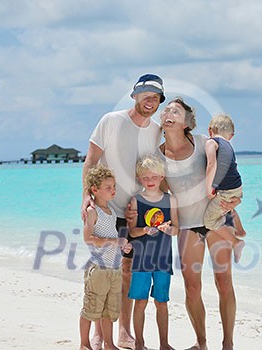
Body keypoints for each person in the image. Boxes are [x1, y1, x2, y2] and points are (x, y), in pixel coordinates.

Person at [81, 74, 166, 350]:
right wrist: (86, 196)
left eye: (156, 98)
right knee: (102, 268)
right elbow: (91, 160)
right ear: (135, 96)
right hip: (105, 208)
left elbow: (155, 172)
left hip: (136, 213)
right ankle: (97, 331)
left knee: (126, 272)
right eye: (146, 96)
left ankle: (123, 331)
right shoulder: (111, 120)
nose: (150, 102)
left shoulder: (156, 131)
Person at [156, 97, 241, 350]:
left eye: (175, 111)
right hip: (186, 226)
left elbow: (230, 175)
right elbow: (159, 192)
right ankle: (201, 344)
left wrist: (235, 202)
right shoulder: (157, 155)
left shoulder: (206, 143)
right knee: (192, 288)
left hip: (218, 221)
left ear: (187, 122)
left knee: (223, 282)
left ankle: (228, 344)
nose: (168, 113)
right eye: (166, 110)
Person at [127, 155, 178, 350]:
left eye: (154, 177)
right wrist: (144, 230)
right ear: (140, 178)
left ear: (162, 177)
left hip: (163, 260)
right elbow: (132, 231)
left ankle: (164, 344)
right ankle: (139, 343)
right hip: (141, 261)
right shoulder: (136, 201)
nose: (150, 181)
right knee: (140, 302)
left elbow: (177, 229)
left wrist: (168, 229)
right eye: (145, 177)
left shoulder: (170, 200)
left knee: (162, 302)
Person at [79, 164, 132, 350]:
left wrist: (122, 246)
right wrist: (113, 241)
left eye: (114, 187)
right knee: (91, 309)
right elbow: (88, 238)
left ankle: (109, 344)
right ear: (95, 190)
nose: (113, 191)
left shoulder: (112, 212)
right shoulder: (93, 211)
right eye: (108, 188)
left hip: (114, 269)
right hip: (99, 269)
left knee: (109, 311)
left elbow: (113, 239)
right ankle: (84, 344)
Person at [204, 113, 246, 263]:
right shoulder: (229, 146)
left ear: (210, 130)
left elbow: (211, 164)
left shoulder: (211, 142)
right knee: (227, 207)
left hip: (226, 190)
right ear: (231, 135)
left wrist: (209, 188)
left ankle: (236, 242)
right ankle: (239, 230)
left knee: (210, 221)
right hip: (237, 187)